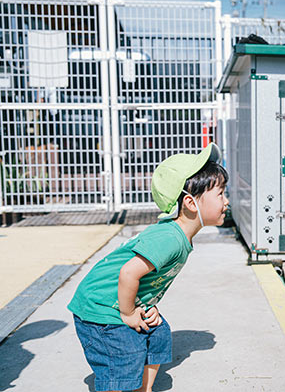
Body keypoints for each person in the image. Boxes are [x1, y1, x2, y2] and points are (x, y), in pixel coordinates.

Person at [67, 143, 228, 392]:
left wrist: (147, 305)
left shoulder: (179, 236)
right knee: (123, 356)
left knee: (158, 332)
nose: (226, 201)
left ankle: (144, 389)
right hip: (100, 308)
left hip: (118, 301)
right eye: (220, 194)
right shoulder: (169, 238)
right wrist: (129, 313)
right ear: (190, 202)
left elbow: (147, 278)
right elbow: (128, 273)